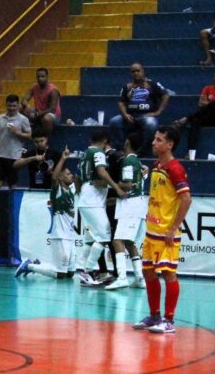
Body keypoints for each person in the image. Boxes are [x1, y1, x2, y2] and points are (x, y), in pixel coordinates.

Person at [132, 125, 192, 334]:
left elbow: (186, 198)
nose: (153, 143)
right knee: (147, 272)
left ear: (169, 145)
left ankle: (169, 320)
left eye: (158, 140)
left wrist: (173, 227)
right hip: (151, 232)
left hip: (167, 233)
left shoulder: (175, 169)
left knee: (168, 274)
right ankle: (155, 315)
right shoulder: (157, 165)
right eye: (154, 139)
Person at [15, 146, 77, 279]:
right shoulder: (57, 190)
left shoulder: (71, 190)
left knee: (70, 273)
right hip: (60, 234)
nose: (71, 175)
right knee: (60, 274)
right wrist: (63, 158)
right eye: (67, 174)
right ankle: (29, 266)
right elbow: (54, 177)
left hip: (70, 235)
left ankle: (38, 264)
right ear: (60, 177)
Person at [76, 130, 126, 286]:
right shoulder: (98, 152)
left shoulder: (84, 155)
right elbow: (101, 171)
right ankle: (87, 271)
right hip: (93, 200)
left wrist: (81, 194)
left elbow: (77, 178)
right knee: (104, 236)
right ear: (105, 140)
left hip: (86, 197)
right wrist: (116, 188)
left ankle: (84, 269)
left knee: (91, 238)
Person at [105, 134, 147, 290]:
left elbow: (128, 185)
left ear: (127, 142)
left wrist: (110, 185)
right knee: (129, 243)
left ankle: (122, 277)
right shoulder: (136, 161)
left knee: (117, 240)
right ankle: (140, 278)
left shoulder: (128, 160)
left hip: (130, 205)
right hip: (135, 204)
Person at [108, 62, 169, 157]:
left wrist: (158, 112)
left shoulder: (152, 84)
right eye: (133, 71)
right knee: (114, 121)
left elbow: (166, 95)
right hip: (130, 115)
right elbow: (121, 102)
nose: (136, 73)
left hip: (146, 115)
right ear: (130, 74)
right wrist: (125, 114)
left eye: (138, 71)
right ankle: (121, 150)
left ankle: (142, 151)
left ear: (143, 71)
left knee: (151, 124)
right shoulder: (127, 86)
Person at [174, 67, 215, 156]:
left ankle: (186, 118)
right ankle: (191, 154)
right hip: (206, 117)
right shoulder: (207, 88)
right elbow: (200, 103)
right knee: (195, 122)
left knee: (213, 104)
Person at [0, 94, 32, 188]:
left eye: (14, 106)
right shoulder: (0, 118)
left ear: (18, 106)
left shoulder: (23, 119)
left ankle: (12, 202)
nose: (11, 108)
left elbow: (29, 136)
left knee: (12, 185)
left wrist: (17, 132)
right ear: (6, 105)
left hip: (14, 156)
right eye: (9, 106)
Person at [21, 67, 62, 136]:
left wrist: (37, 114)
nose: (40, 79)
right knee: (20, 108)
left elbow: (52, 109)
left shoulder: (53, 90)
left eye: (42, 76)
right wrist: (27, 105)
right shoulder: (34, 87)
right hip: (38, 111)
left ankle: (46, 139)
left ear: (47, 77)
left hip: (52, 115)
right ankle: (25, 135)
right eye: (38, 77)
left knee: (47, 119)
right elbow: (24, 99)